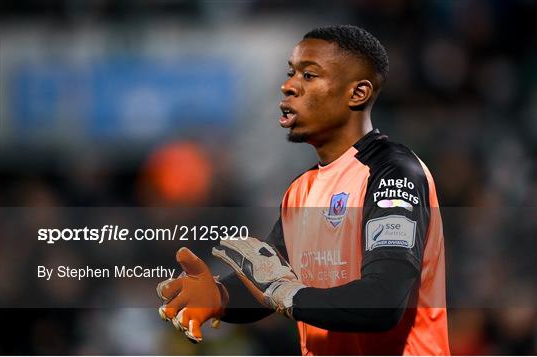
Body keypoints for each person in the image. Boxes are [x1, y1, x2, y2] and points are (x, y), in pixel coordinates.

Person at [157, 25, 450, 355]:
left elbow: (382, 302)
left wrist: (287, 294)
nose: (288, 86)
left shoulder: (394, 173)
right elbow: (270, 282)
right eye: (290, 73)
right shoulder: (302, 190)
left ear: (358, 93)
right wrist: (221, 297)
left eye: (308, 75)